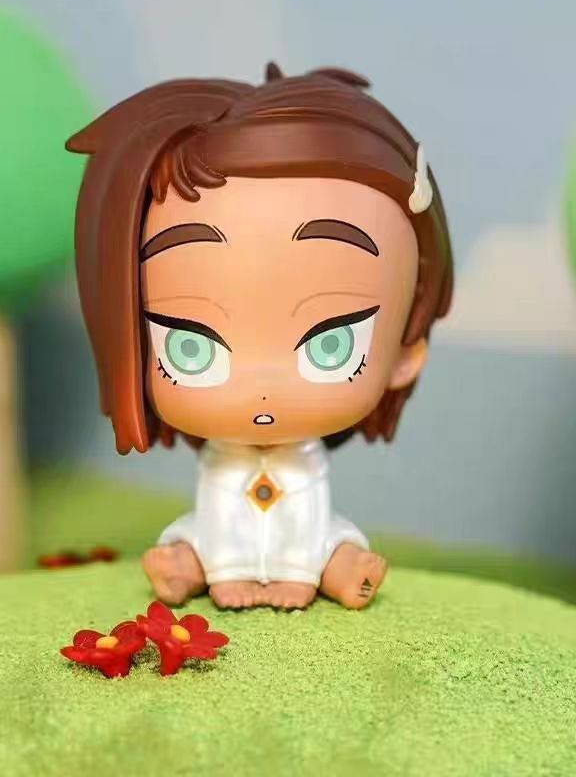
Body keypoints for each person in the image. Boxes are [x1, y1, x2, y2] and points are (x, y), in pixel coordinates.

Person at [66, 63, 453, 610]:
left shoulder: (305, 460)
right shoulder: (222, 460)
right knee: (205, 528)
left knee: (326, 535)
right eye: (190, 346)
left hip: (306, 536)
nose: (262, 388)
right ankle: (198, 565)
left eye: (331, 344)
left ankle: (326, 568)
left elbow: (307, 514)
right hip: (219, 526)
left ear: (404, 354)